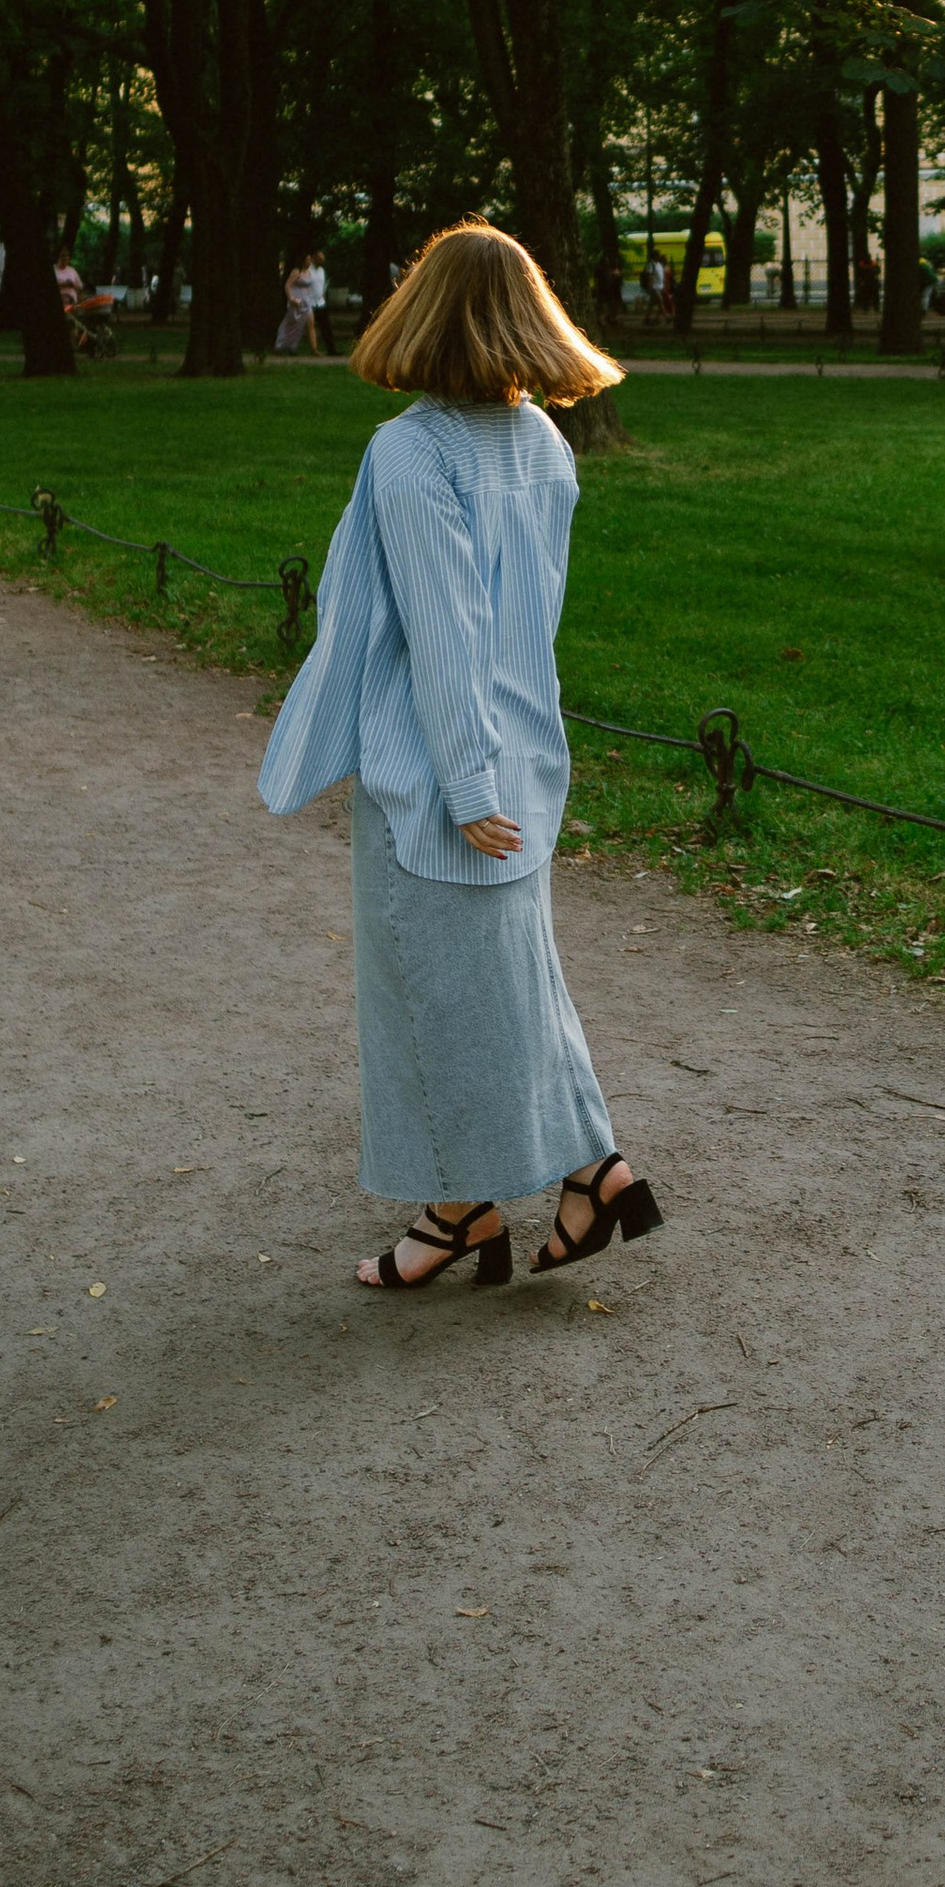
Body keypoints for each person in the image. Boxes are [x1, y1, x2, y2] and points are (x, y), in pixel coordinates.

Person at [257, 219, 659, 1294]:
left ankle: (466, 1212)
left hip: (440, 771)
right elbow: (514, 625)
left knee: (428, 993)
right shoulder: (543, 446)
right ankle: (578, 1178)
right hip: (525, 751)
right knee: (509, 978)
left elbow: (446, 636)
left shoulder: (411, 450)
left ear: (420, 314)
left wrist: (465, 784)